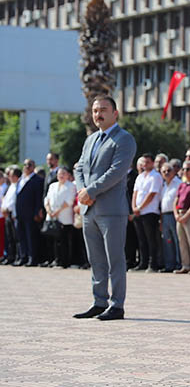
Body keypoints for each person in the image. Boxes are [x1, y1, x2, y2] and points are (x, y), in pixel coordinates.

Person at [72, 96, 138, 321]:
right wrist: (83, 191)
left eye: (103, 110)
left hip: (112, 211)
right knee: (96, 260)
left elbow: (117, 172)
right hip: (90, 211)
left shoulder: (124, 139)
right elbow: (79, 167)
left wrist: (90, 191)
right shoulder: (90, 140)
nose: (98, 114)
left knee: (115, 260)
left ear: (115, 113)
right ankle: (99, 301)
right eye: (95, 110)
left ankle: (117, 305)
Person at [131, 154, 163, 272]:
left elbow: (152, 194)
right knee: (141, 239)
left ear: (153, 163)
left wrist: (140, 207)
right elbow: (135, 193)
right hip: (138, 212)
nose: (145, 165)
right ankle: (142, 262)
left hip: (150, 211)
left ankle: (152, 263)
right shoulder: (140, 177)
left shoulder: (156, 176)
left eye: (148, 162)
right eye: (144, 162)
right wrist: (134, 207)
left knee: (151, 239)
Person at [44, 166, 77, 268]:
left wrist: (57, 211)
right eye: (59, 174)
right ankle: (55, 259)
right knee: (53, 240)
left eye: (63, 173)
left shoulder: (71, 186)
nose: (61, 176)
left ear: (68, 175)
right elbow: (47, 199)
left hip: (64, 217)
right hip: (52, 216)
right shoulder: (52, 186)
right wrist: (49, 210)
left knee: (64, 240)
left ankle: (64, 261)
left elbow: (69, 201)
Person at [15, 159, 45, 267]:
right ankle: (23, 256)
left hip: (31, 213)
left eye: (29, 165)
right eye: (25, 165)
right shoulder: (20, 179)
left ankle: (32, 258)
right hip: (20, 213)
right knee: (21, 236)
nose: (27, 167)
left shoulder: (38, 180)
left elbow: (38, 197)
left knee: (31, 237)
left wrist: (38, 211)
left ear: (33, 166)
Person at [158, 162, 181, 273]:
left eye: (169, 170)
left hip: (174, 214)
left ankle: (179, 263)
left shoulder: (178, 183)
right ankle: (169, 265)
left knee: (177, 240)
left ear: (173, 172)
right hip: (165, 215)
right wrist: (161, 221)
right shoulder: (163, 185)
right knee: (167, 241)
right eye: (164, 171)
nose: (166, 173)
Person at [2, 167, 21, 265]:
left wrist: (9, 209)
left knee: (16, 237)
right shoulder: (11, 186)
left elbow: (14, 201)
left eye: (12, 176)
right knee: (9, 237)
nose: (10, 177)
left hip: (13, 214)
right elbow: (6, 199)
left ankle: (18, 256)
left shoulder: (18, 186)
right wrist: (4, 208)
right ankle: (10, 256)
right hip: (7, 214)